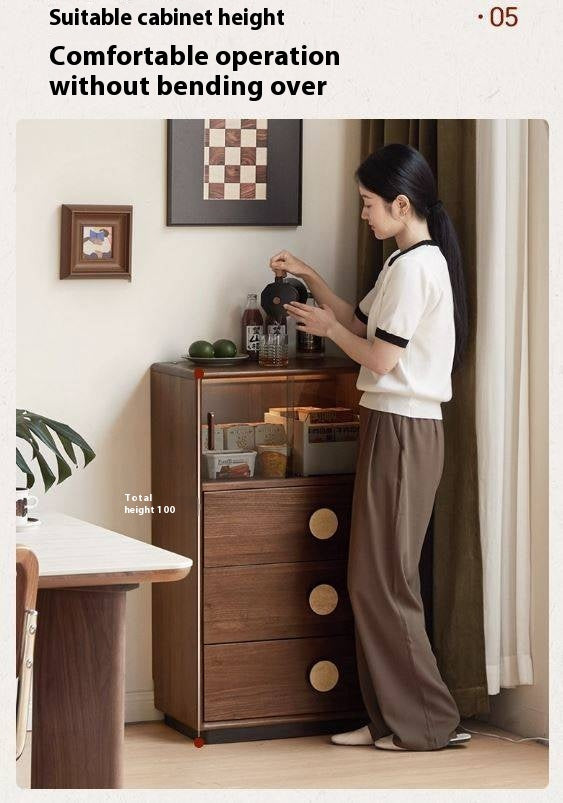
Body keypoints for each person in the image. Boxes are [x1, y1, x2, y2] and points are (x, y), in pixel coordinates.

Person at [269, 143, 471, 752]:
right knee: (369, 578)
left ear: (401, 203)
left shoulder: (416, 269)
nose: (363, 214)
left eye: (367, 203)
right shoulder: (400, 262)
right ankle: (387, 716)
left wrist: (329, 331)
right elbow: (362, 327)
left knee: (386, 582)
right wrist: (311, 277)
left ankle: (428, 723)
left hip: (406, 429)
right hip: (389, 425)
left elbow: (379, 358)